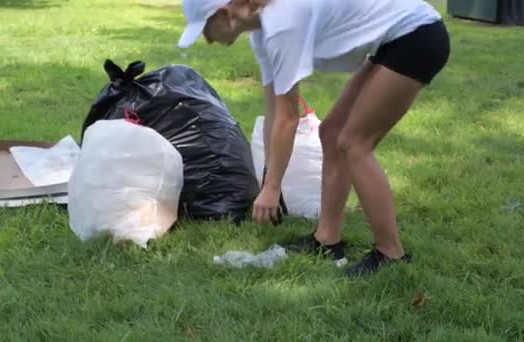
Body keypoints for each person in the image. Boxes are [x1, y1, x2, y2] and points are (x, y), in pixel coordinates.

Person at [176, 0, 450, 276]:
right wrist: (272, 182)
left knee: (354, 144)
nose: (208, 40)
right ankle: (327, 239)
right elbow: (274, 110)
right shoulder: (263, 34)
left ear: (226, 13)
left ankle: (391, 253)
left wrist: (271, 189)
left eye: (206, 29)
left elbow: (288, 118)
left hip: (417, 35)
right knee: (331, 133)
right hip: (395, 40)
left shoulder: (282, 24)